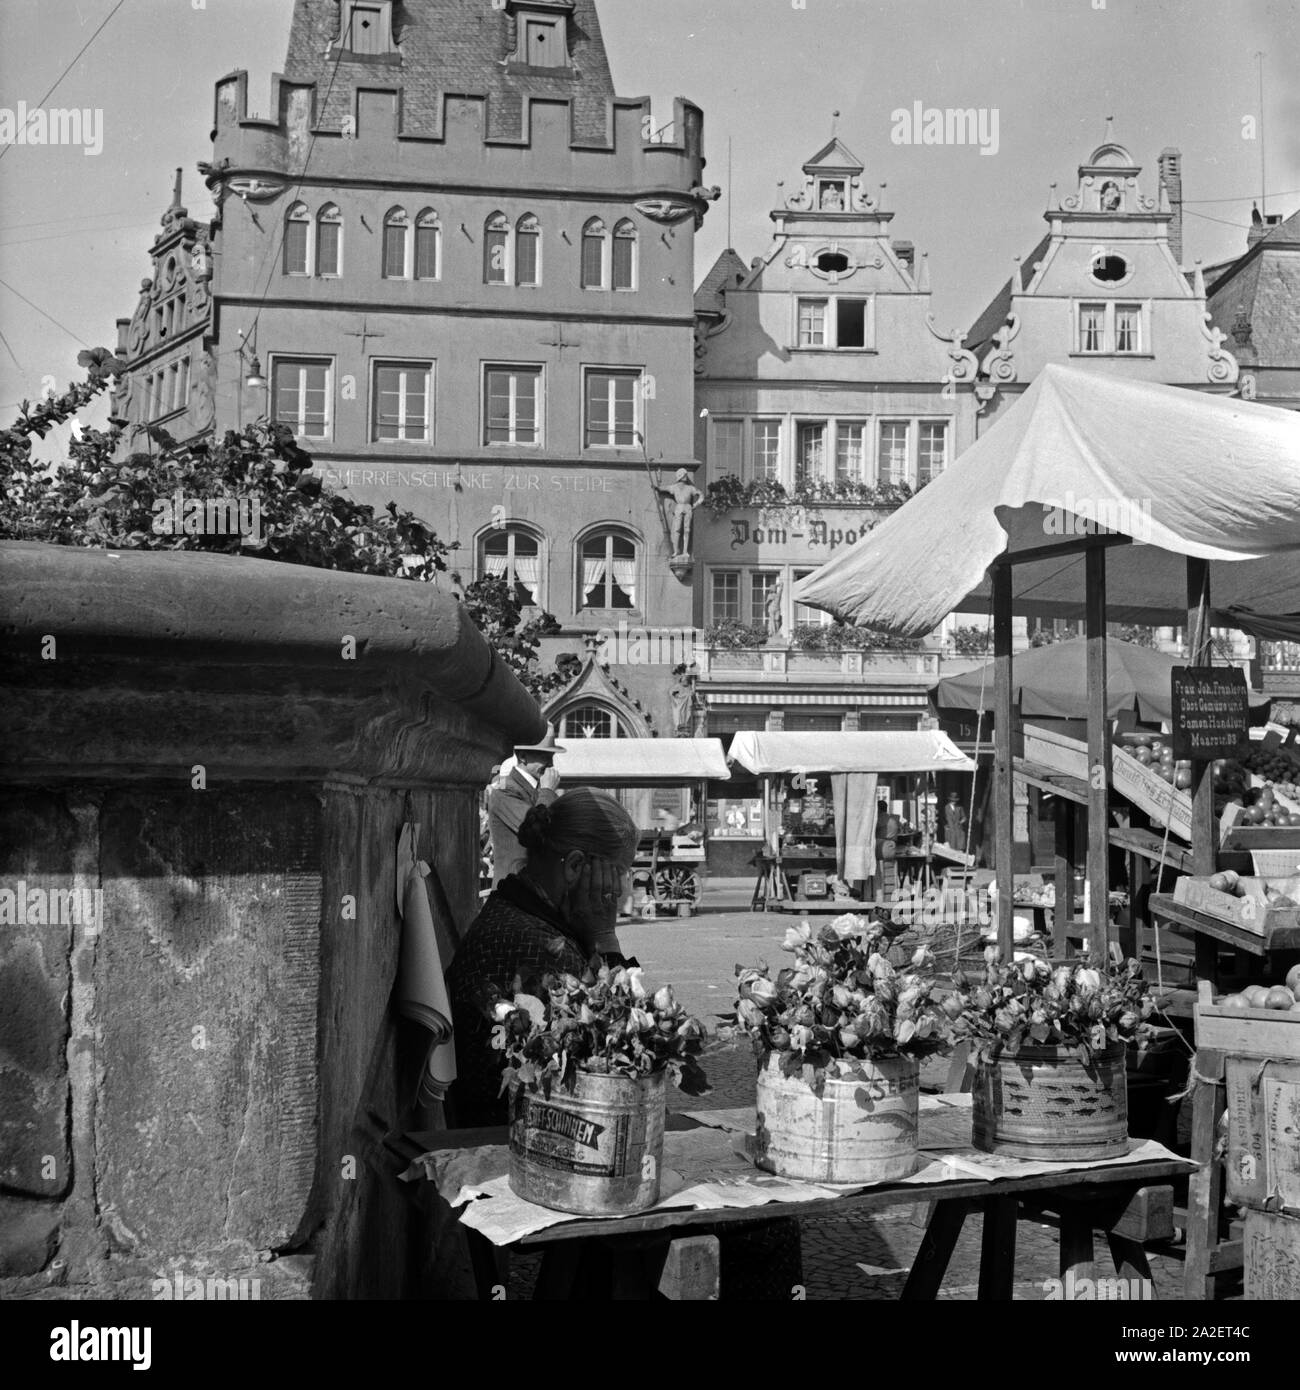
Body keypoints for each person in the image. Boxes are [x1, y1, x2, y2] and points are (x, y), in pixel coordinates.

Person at [448, 788, 638, 1127]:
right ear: (576, 865)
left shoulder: (516, 911)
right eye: (620, 873)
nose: (622, 890)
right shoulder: (541, 946)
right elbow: (617, 1061)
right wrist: (606, 938)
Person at [487, 726, 563, 886]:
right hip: (513, 892)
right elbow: (535, 831)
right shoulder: (505, 789)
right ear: (522, 756)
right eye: (545, 756)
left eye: (552, 756)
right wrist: (548, 791)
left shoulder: (539, 790)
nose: (550, 763)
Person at [655, 468, 704, 558]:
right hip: (679, 507)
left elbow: (701, 495)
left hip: (688, 507)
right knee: (677, 529)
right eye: (684, 475)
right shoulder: (674, 487)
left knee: (687, 530)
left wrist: (695, 504)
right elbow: (664, 488)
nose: (686, 476)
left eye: (685, 475)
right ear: (680, 476)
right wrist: (657, 488)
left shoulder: (690, 488)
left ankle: (685, 551)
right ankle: (676, 551)